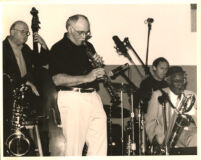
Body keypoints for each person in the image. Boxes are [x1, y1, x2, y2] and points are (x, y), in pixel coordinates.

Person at [49, 14, 107, 156]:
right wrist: (87, 77)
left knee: (99, 144)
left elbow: (92, 74)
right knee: (74, 148)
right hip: (72, 97)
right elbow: (57, 79)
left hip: (93, 96)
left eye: (87, 33)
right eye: (81, 32)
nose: (85, 37)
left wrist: (98, 67)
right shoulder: (58, 48)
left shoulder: (88, 46)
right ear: (70, 29)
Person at [3, 20, 49, 155]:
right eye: (23, 32)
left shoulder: (26, 49)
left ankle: (33, 150)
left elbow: (42, 62)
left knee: (40, 119)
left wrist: (44, 45)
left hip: (25, 97)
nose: (26, 35)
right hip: (7, 97)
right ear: (12, 32)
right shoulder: (2, 49)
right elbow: (5, 75)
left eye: (27, 32)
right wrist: (25, 83)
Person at [145, 66, 197, 154]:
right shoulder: (158, 95)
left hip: (188, 132)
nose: (181, 84)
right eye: (176, 81)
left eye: (183, 80)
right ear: (168, 81)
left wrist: (193, 116)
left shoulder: (191, 95)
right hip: (166, 136)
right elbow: (150, 121)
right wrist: (154, 139)